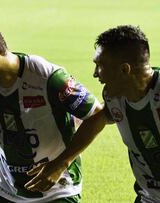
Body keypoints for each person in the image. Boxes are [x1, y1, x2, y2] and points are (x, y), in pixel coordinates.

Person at [0, 20, 102, 202]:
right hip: (6, 189)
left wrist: (59, 164)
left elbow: (97, 114)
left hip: (57, 190)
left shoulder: (47, 77)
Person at [30, 25, 160, 203]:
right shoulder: (115, 98)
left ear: (124, 70)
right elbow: (99, 119)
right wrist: (61, 162)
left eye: (100, 65)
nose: (94, 74)